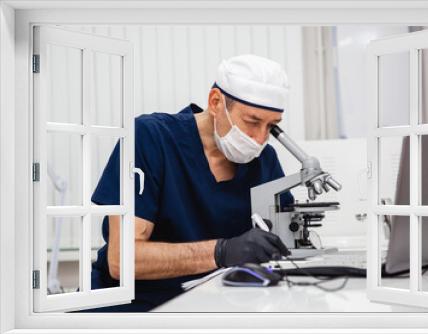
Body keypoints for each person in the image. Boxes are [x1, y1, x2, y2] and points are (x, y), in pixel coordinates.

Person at [88, 54, 294, 312]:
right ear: (216, 102)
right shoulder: (150, 138)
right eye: (252, 122)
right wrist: (222, 252)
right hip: (131, 308)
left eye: (272, 127)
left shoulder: (265, 161)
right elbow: (122, 260)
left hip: (206, 306)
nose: (260, 138)